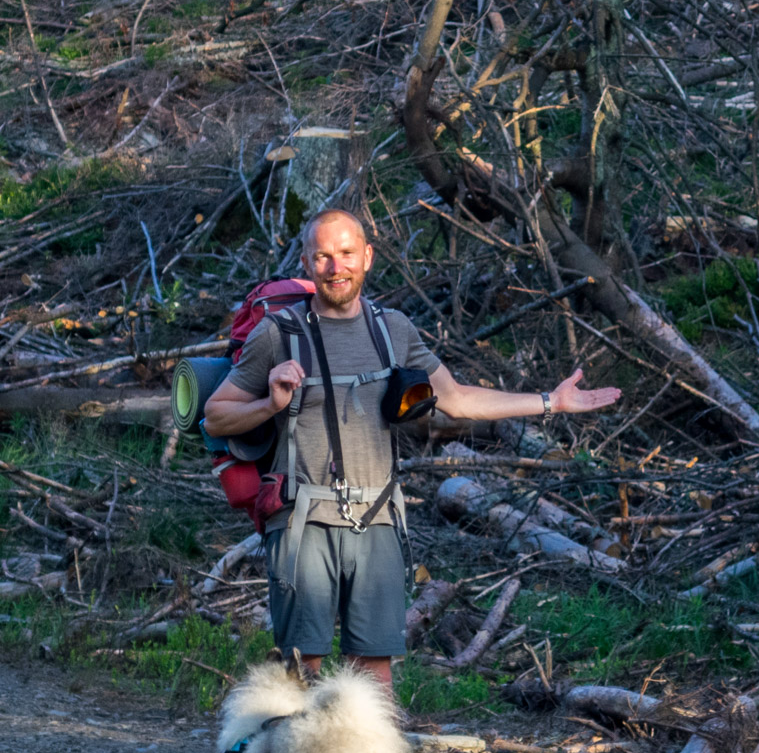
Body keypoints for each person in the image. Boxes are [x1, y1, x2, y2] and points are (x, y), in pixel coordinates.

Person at [204, 208, 621, 689]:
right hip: (303, 521)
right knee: (303, 669)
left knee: (375, 674)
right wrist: (268, 403)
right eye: (322, 256)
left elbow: (459, 398)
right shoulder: (279, 334)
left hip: (376, 518)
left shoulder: (393, 330)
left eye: (345, 254)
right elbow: (216, 414)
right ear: (306, 262)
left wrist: (551, 402)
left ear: (367, 257)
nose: (335, 267)